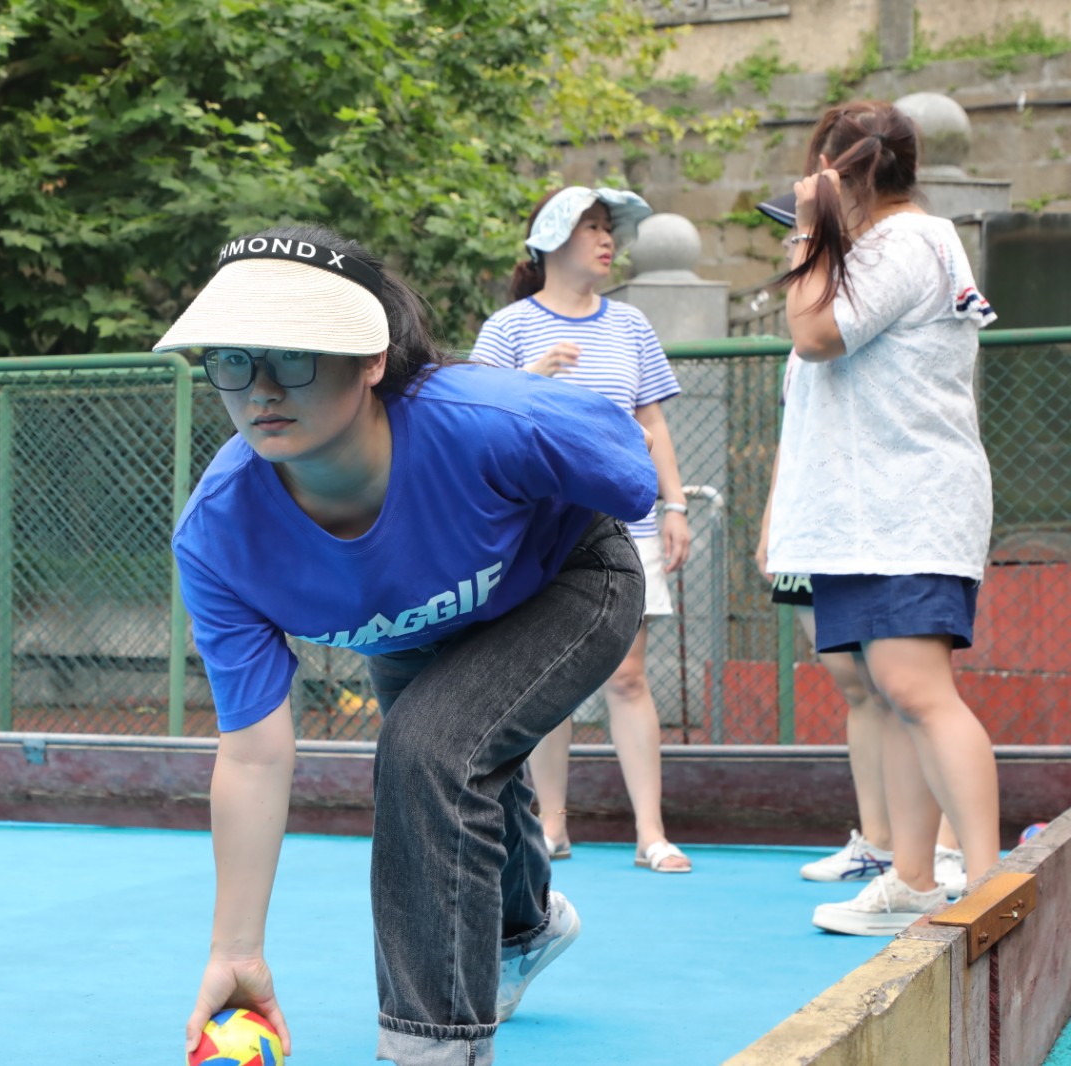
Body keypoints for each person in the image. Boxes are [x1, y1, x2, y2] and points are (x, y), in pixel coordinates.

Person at [160, 225, 658, 1064]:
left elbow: (626, 462)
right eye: (233, 359)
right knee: (459, 752)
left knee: (429, 749)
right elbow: (252, 754)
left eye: (295, 356)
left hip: (568, 578)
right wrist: (236, 952)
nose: (261, 388)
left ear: (371, 359)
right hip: (415, 628)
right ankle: (526, 928)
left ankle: (431, 1048)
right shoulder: (220, 536)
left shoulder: (483, 422)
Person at [765, 100, 1000, 936]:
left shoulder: (905, 242)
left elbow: (815, 335)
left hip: (905, 506)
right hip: (873, 512)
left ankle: (989, 883)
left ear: (839, 173)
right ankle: (913, 878)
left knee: (917, 690)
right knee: (901, 696)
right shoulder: (891, 247)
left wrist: (808, 230)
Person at [470, 186, 693, 874]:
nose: (606, 239)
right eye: (590, 226)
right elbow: (475, 424)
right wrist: (530, 379)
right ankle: (551, 826)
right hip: (540, 531)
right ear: (551, 239)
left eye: (609, 227)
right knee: (552, 674)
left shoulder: (631, 325)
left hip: (630, 522)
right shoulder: (508, 329)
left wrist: (676, 505)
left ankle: (650, 833)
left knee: (628, 675)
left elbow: (652, 422)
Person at [753, 339, 965, 898]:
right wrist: (774, 520)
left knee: (908, 688)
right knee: (856, 685)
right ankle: (879, 842)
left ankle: (944, 845)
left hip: (883, 523)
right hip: (813, 524)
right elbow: (794, 438)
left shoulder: (872, 323)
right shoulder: (799, 353)